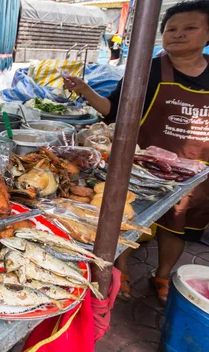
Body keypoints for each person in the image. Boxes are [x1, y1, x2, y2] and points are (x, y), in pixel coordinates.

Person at [64, 1, 209, 305]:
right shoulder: (149, 69)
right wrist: (85, 91)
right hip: (142, 167)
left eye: (189, 28)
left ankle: (164, 275)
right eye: (171, 29)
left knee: (178, 227)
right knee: (129, 222)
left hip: (196, 171)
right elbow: (112, 110)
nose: (178, 34)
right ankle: (122, 269)